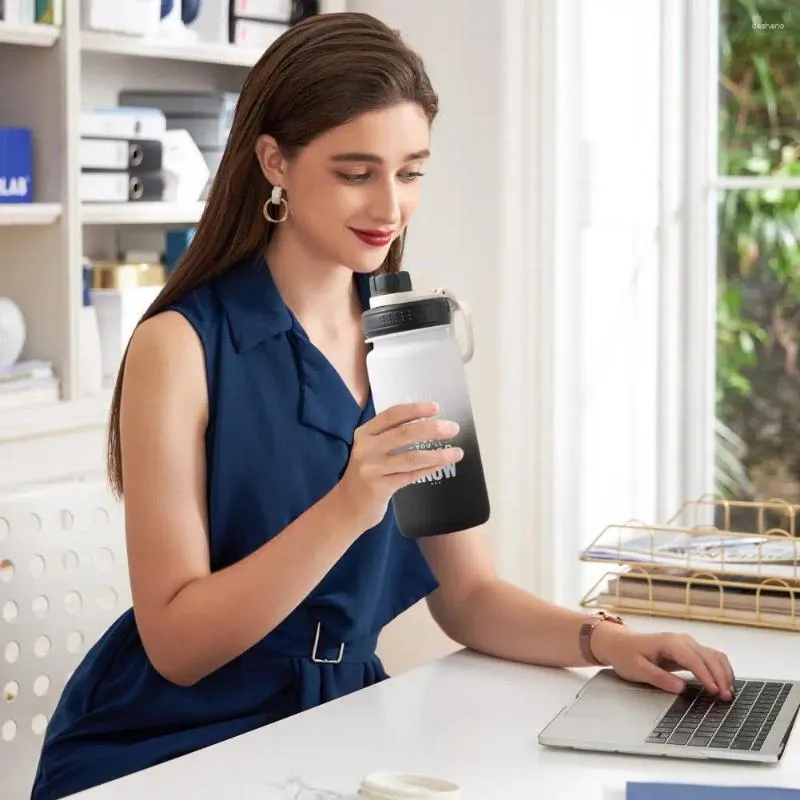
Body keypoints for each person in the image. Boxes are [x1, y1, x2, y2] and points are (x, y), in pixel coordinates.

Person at [31, 11, 736, 799]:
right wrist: (350, 503)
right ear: (275, 162)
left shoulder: (414, 337)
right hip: (170, 743)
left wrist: (609, 642)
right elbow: (177, 647)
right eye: (356, 171)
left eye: (411, 171)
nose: (390, 205)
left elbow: (468, 597)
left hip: (342, 722)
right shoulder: (180, 344)